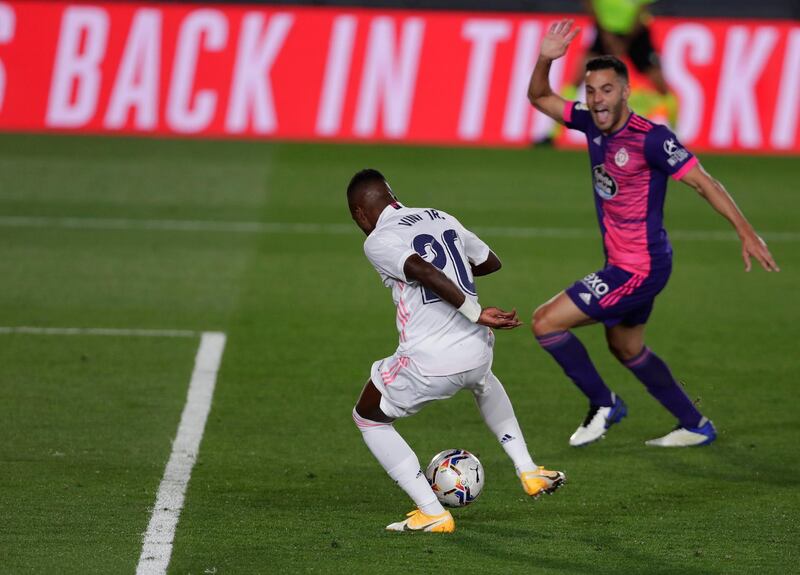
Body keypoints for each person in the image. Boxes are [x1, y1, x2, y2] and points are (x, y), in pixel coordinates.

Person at [526, 20, 780, 448]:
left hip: (639, 268)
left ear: (626, 91)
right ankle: (695, 424)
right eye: (590, 91)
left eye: (606, 90)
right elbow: (539, 96)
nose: (597, 100)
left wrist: (746, 231)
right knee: (626, 347)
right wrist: (546, 58)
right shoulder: (589, 122)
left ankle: (604, 403)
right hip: (628, 263)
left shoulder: (651, 139)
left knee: (545, 323)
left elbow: (704, 182)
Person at [348, 169, 565, 533]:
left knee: (368, 416)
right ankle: (529, 470)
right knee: (484, 382)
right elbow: (489, 261)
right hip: (478, 349)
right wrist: (462, 284)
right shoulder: (438, 216)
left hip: (430, 361)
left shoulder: (379, 239)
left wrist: (474, 310)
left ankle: (432, 511)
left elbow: (419, 268)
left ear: (359, 213)